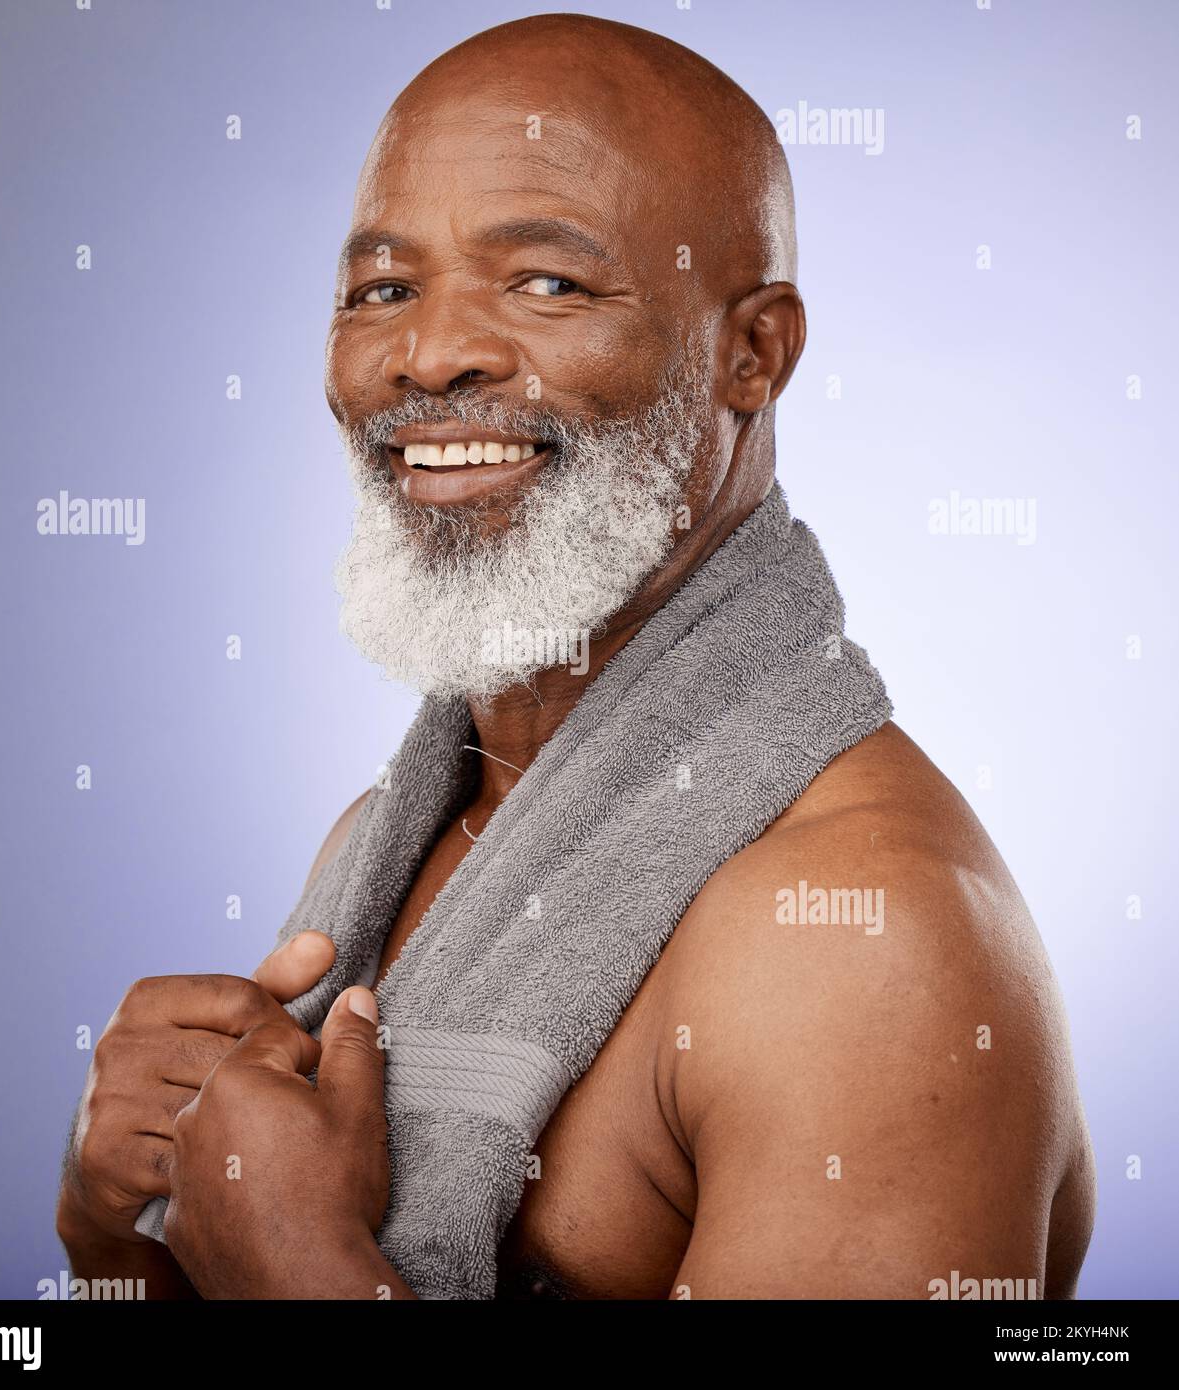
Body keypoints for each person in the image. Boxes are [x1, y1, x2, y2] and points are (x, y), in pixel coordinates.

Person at [57, 14, 1094, 1299]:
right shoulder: (377, 847)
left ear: (751, 353)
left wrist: (305, 1272)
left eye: (545, 284)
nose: (428, 354)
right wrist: (113, 1230)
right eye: (382, 288)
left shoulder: (858, 944)